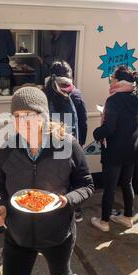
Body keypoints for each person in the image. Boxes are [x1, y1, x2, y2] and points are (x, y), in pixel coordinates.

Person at [0, 86, 94, 275]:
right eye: (17, 116)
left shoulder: (67, 145)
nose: (23, 122)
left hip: (57, 235)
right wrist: (0, 206)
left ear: (43, 116)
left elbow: (86, 185)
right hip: (17, 235)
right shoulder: (8, 149)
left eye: (29, 114)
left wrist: (67, 200)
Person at [91, 66, 138, 232]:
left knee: (110, 186)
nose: (111, 80)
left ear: (118, 81)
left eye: (113, 78)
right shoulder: (137, 97)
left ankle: (104, 221)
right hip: (132, 149)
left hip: (114, 151)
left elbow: (109, 128)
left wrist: (96, 133)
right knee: (127, 183)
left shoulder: (114, 100)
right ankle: (128, 217)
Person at [43, 60, 88, 222]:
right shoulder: (75, 94)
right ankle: (76, 211)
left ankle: (54, 209)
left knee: (54, 178)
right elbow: (83, 121)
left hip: (50, 145)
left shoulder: (44, 93)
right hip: (70, 143)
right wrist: (79, 144)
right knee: (73, 176)